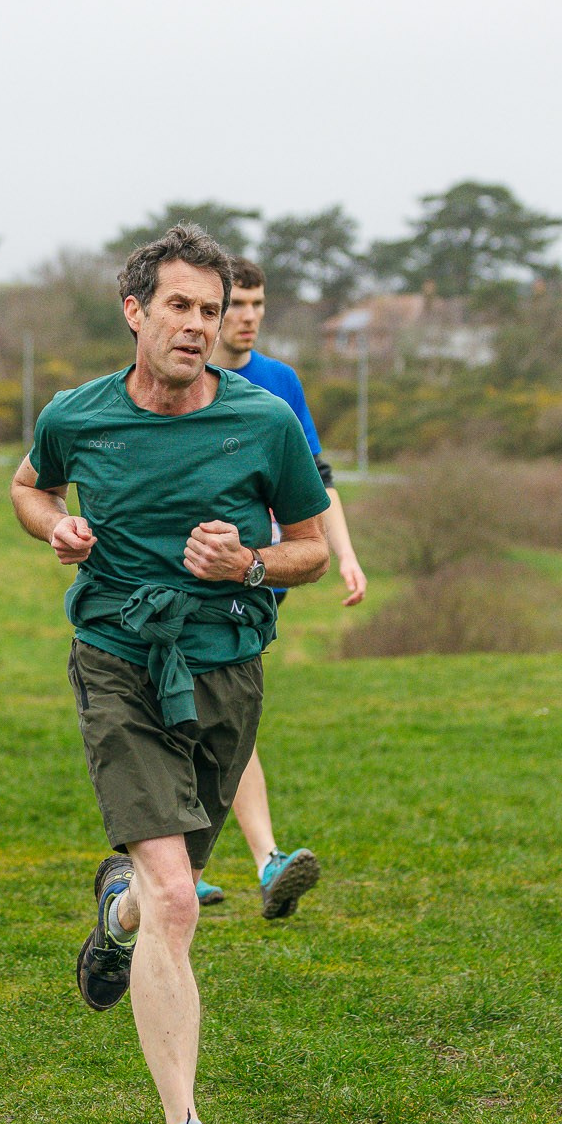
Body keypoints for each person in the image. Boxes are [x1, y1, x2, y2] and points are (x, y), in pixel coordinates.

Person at [10, 225, 331, 1124]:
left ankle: (116, 916)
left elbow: (311, 548)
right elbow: (28, 484)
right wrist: (56, 525)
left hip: (226, 667)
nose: (197, 325)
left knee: (161, 893)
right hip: (118, 659)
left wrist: (248, 563)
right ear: (135, 310)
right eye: (179, 306)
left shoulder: (263, 420)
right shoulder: (77, 414)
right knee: (180, 900)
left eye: (211, 309)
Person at [196, 256, 369, 916]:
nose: (248, 318)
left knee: (222, 711)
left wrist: (345, 555)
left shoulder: (280, 382)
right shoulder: (182, 378)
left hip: (261, 573)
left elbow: (316, 482)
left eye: (257, 305)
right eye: (236, 304)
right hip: (188, 569)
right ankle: (199, 862)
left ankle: (236, 862)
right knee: (203, 711)